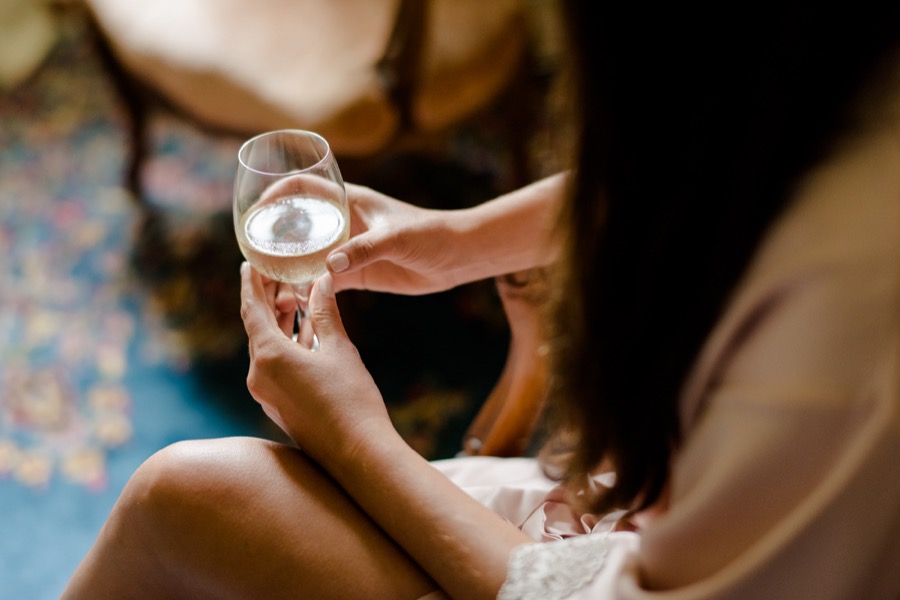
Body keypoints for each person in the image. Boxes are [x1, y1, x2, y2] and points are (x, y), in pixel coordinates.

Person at [62, 1, 900, 598]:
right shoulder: (832, 75)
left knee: (181, 497)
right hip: (649, 508)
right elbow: (718, 177)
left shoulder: (844, 310)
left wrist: (354, 437)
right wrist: (458, 240)